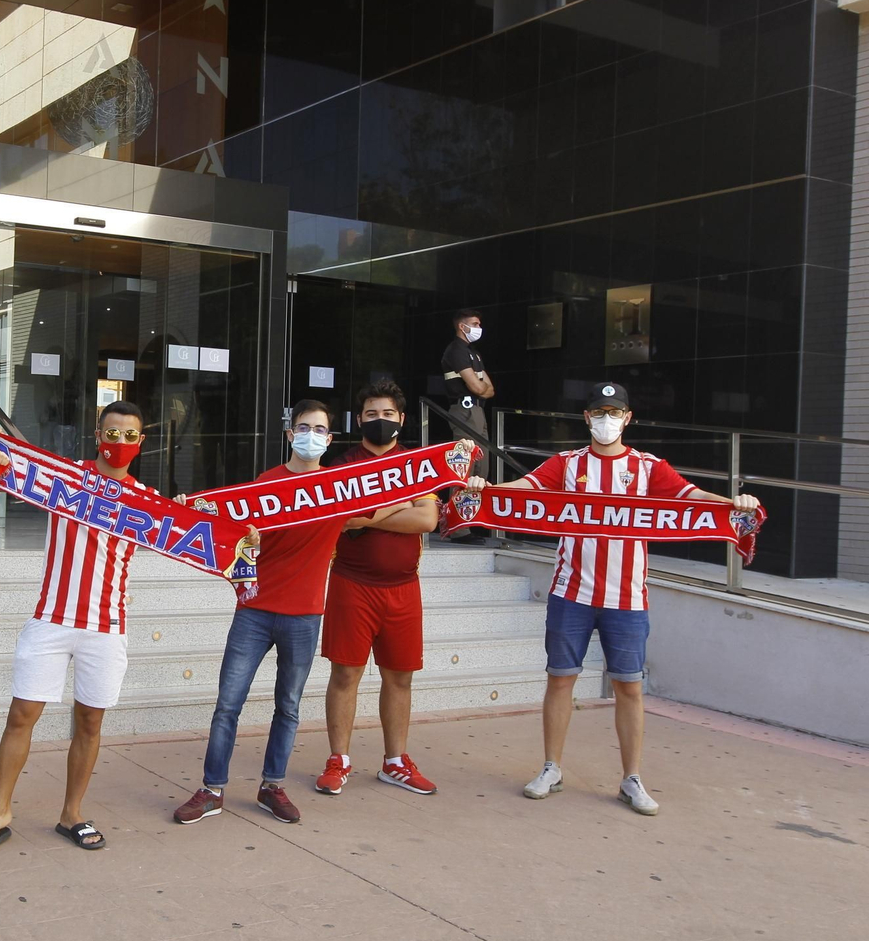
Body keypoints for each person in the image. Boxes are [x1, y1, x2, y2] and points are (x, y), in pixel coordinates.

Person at [465, 382, 761, 816]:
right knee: (560, 678)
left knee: (629, 686)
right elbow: (523, 490)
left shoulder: (647, 467)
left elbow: (692, 498)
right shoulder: (566, 463)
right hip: (571, 592)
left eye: (615, 412)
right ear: (587, 418)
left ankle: (632, 778)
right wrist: (484, 490)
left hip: (627, 597)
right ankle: (551, 767)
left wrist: (735, 504)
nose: (607, 420)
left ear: (628, 418)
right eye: (599, 412)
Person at [173, 399, 406, 826]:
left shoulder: (340, 488)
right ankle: (212, 789)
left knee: (289, 706)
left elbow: (401, 497)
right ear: (289, 433)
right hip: (255, 610)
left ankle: (272, 786)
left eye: (319, 428)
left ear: (330, 438)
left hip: (304, 615)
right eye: (304, 427)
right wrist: (197, 508)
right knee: (228, 704)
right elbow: (231, 525)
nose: (311, 435)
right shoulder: (267, 483)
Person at [0, 402, 147, 856]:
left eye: (130, 436)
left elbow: (199, 534)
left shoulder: (148, 500)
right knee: (21, 715)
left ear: (141, 443)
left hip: (106, 626)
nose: (119, 443)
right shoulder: (65, 477)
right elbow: (6, 472)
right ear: (96, 432)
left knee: (90, 721)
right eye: (112, 433)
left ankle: (72, 814)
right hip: (51, 619)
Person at [315, 381, 443, 799]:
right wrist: (398, 509)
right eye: (371, 414)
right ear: (359, 420)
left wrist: (368, 518)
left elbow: (426, 519)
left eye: (388, 414)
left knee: (400, 677)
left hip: (403, 588)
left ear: (402, 420)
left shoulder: (416, 465)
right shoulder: (341, 466)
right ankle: (338, 760)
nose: (380, 421)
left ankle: (395, 762)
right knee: (345, 674)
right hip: (352, 585)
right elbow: (342, 520)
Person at [441, 309, 492, 543]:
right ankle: (457, 527)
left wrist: (482, 387)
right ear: (462, 326)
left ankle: (470, 521)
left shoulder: (474, 353)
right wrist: (481, 387)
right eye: (475, 323)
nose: (478, 327)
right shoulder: (456, 351)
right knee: (464, 468)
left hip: (478, 410)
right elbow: (477, 386)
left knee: (481, 469)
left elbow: (489, 389)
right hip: (463, 410)